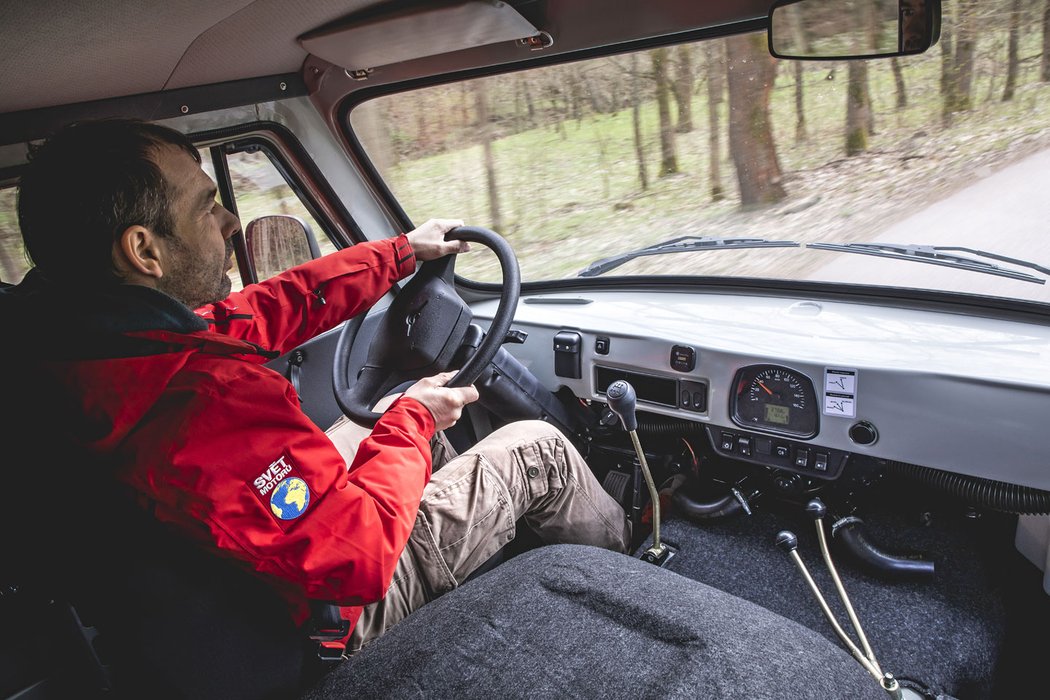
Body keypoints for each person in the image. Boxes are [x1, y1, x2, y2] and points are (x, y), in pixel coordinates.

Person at [3, 118, 630, 659]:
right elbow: (357, 554)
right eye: (205, 206)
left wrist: (398, 255)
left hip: (233, 590)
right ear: (145, 250)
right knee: (536, 450)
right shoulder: (199, 399)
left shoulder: (88, 346)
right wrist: (410, 420)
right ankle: (640, 570)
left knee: (391, 415)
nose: (230, 222)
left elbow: (259, 312)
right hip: (328, 615)